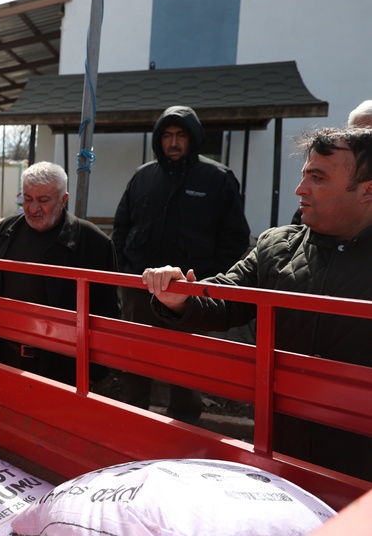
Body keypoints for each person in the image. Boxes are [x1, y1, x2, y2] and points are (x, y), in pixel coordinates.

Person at [142, 126, 372, 480]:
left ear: (367, 191)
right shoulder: (277, 246)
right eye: (304, 175)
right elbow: (225, 298)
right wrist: (180, 297)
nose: (300, 189)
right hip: (280, 452)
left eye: (318, 178)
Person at [112, 105, 250, 422]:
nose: (173, 143)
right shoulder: (142, 177)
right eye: (167, 136)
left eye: (181, 135)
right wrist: (125, 271)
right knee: (136, 357)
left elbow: (235, 237)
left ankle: (185, 425)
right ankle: (132, 418)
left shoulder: (217, 179)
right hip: (140, 288)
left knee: (187, 363)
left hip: (191, 293)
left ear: (194, 138)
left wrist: (207, 281)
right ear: (158, 140)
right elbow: (121, 228)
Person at [0, 162, 120, 386]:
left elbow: (107, 309)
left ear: (63, 199)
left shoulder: (94, 242)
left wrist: (93, 372)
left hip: (62, 365)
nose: (33, 208)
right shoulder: (4, 231)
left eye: (43, 200)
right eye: (27, 199)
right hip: (4, 356)